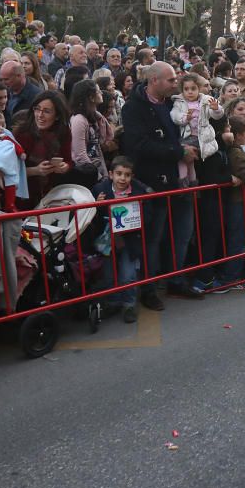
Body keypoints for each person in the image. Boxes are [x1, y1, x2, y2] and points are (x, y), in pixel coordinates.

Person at [121, 61, 202, 309]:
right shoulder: (133, 108)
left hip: (181, 181)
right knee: (153, 238)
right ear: (154, 80)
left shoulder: (172, 103)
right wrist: (177, 152)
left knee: (182, 233)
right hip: (153, 183)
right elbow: (139, 145)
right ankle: (150, 288)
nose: (175, 83)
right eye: (170, 80)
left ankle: (176, 279)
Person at [92, 156, 152, 324]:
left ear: (131, 176)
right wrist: (97, 205)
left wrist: (137, 210)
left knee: (128, 274)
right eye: (118, 174)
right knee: (109, 274)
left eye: (127, 174)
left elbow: (148, 215)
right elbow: (90, 216)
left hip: (130, 239)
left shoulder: (138, 191)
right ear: (111, 174)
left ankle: (129, 304)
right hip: (107, 240)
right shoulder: (100, 190)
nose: (122, 178)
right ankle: (113, 302)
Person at [216, 115, 245, 290]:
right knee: (237, 240)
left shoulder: (236, 150)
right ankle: (230, 278)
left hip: (238, 200)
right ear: (236, 136)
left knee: (238, 239)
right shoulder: (236, 153)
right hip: (236, 202)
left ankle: (231, 276)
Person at [12, 90, 73, 208]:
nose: (40, 115)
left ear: (57, 116)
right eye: (37, 109)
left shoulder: (64, 132)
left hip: (53, 194)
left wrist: (64, 167)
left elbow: (69, 160)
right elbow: (11, 171)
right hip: (24, 194)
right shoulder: (22, 133)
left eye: (47, 111)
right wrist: (36, 170)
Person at [172, 73, 224, 186]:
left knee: (185, 158)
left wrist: (216, 109)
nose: (190, 92)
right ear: (182, 90)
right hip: (186, 137)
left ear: (199, 89)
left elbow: (215, 115)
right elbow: (174, 116)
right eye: (186, 89)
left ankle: (185, 181)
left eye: (193, 88)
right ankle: (190, 181)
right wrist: (185, 118)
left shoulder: (205, 100)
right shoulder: (179, 102)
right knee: (186, 159)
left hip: (202, 137)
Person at [68, 79, 112, 183]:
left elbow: (108, 137)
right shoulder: (79, 120)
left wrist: (100, 118)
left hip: (99, 168)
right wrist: (96, 176)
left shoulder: (94, 116)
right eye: (98, 91)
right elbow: (80, 155)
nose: (101, 92)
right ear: (91, 97)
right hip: (87, 175)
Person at [0, 59, 42, 124]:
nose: (3, 83)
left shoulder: (37, 96)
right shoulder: (5, 93)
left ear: (19, 76)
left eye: (6, 79)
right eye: (1, 79)